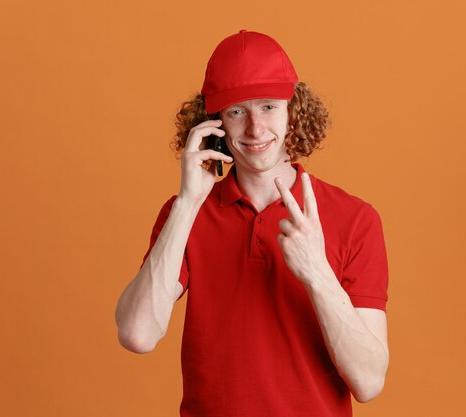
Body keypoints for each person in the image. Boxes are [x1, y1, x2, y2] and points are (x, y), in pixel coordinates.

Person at [115, 29, 390, 417]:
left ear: (293, 109)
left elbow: (369, 382)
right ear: (214, 123)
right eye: (237, 111)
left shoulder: (356, 218)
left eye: (268, 107)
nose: (256, 129)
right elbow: (137, 334)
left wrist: (317, 273)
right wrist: (187, 202)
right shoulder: (186, 214)